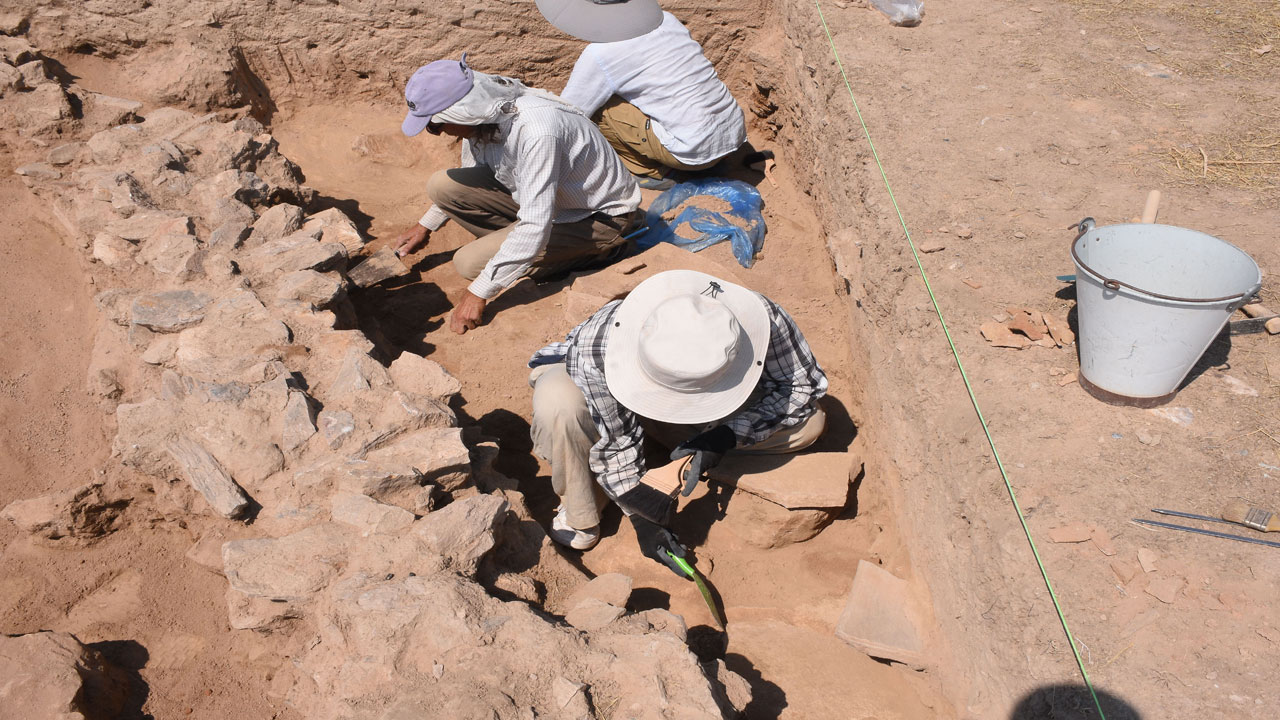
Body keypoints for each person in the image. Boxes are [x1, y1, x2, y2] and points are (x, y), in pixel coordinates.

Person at [527, 269, 828, 575]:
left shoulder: (762, 320)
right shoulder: (600, 342)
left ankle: (687, 449)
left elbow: (801, 388)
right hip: (606, 396)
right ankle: (582, 510)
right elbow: (617, 443)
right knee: (559, 401)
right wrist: (641, 515)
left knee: (810, 423)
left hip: (702, 419)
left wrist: (724, 436)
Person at [391, 55, 645, 334]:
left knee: (469, 263)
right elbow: (473, 173)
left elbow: (536, 224)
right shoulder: (481, 122)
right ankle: (519, 248)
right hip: (548, 203)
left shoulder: (536, 132)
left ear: (459, 111)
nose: (435, 133)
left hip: (596, 217)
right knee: (441, 186)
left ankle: (605, 250)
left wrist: (478, 292)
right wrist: (425, 226)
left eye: (435, 124)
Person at [535, 0, 747, 189]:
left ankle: (656, 171)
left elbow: (569, 113)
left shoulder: (600, 54)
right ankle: (707, 162)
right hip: (733, 134)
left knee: (599, 112)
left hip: (693, 153)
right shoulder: (667, 21)